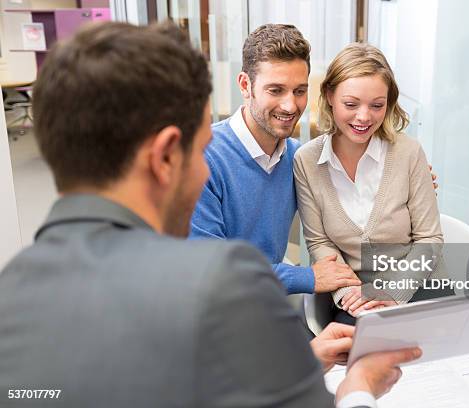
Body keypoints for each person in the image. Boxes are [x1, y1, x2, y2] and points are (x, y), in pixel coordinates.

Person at [0, 22, 422, 408]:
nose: (206, 165)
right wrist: (359, 386)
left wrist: (407, 177)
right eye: (200, 146)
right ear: (167, 155)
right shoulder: (218, 284)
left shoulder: (15, 291)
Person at [189, 24, 361, 296]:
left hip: (264, 303)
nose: (290, 106)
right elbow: (210, 270)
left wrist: (406, 180)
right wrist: (307, 277)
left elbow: (352, 193)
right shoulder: (202, 159)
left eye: (299, 91)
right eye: (276, 90)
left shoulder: (297, 157)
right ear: (246, 86)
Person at [294, 43, 446, 324]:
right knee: (354, 356)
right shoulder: (306, 161)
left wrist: (392, 290)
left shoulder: (409, 153)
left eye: (377, 105)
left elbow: (429, 240)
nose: (364, 117)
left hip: (417, 289)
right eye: (351, 104)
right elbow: (320, 242)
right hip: (355, 301)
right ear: (329, 95)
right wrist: (350, 292)